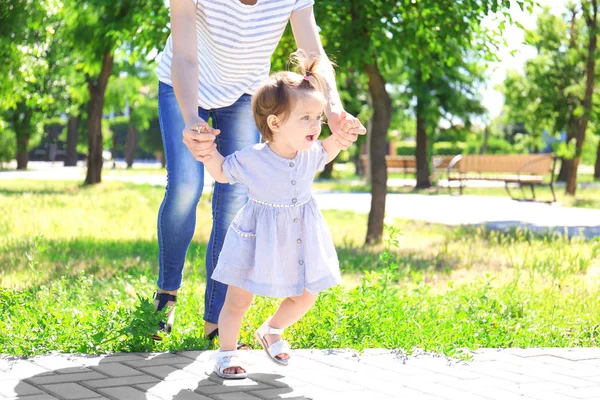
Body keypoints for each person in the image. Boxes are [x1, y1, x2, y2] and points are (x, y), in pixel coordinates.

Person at [152, 0, 366, 345]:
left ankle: (217, 319)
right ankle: (166, 294)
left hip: (244, 94)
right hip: (185, 83)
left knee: (234, 199)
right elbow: (185, 56)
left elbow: (313, 54)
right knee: (185, 187)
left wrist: (334, 108)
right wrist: (192, 118)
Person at [203, 52, 352, 379]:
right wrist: (207, 153)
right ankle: (227, 353)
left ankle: (271, 330)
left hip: (298, 235)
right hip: (256, 236)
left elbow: (329, 149)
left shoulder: (310, 153)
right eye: (306, 118)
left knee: (305, 296)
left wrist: (342, 135)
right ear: (275, 123)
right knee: (238, 300)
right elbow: (223, 173)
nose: (316, 125)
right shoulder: (252, 158)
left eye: (318, 118)